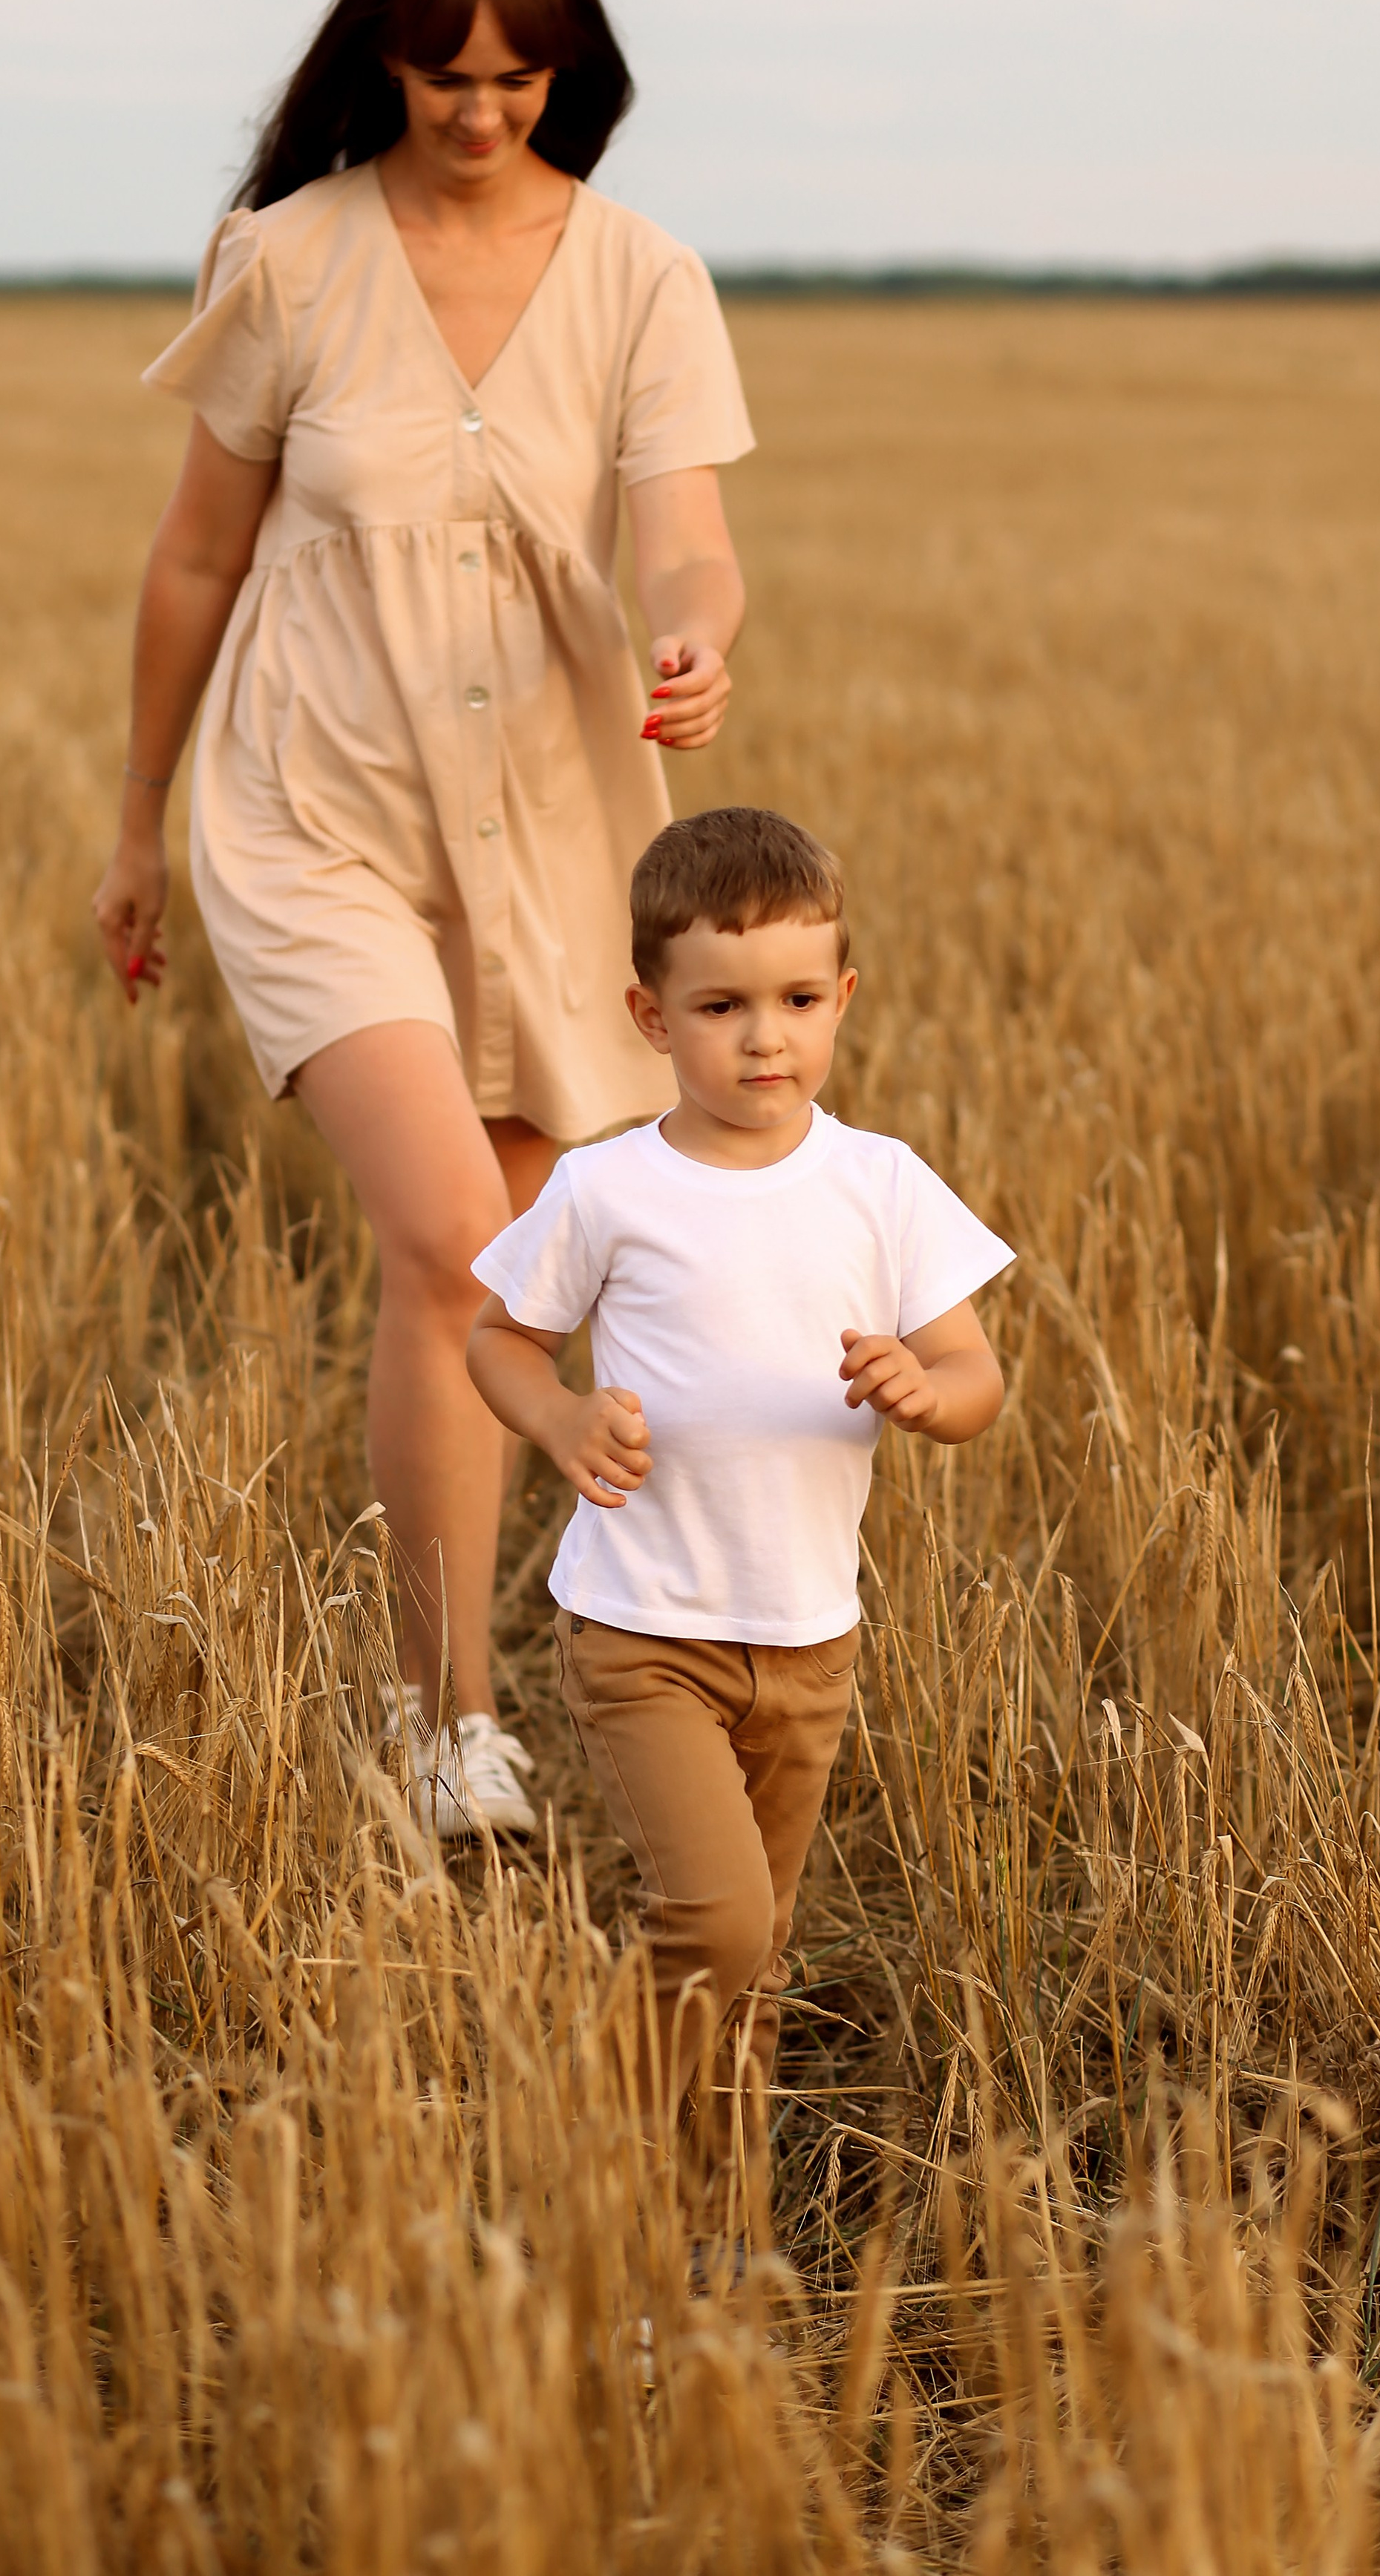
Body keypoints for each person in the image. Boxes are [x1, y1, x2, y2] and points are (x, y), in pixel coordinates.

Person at [91, 0, 753, 1837]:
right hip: (315, 813)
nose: (478, 110)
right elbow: (198, 553)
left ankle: (459, 1689)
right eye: (443, 72)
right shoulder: (288, 260)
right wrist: (136, 823)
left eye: (517, 74)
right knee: (451, 1238)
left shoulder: (641, 273)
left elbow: (683, 527)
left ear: (571, 67)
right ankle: (445, 1720)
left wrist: (699, 626)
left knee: (499, 1290)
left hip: (555, 828)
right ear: (383, 53)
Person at [465, 808, 1013, 2223]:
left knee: (753, 1955)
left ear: (844, 997)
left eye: (795, 1000)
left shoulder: (879, 1184)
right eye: (721, 1007)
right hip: (646, 1628)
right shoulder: (605, 1187)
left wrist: (923, 1388)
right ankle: (596, 2174)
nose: (763, 1039)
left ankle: (714, 2227)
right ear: (653, 1016)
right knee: (709, 1921)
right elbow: (497, 1343)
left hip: (809, 1641)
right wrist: (563, 1420)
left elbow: (978, 1375)